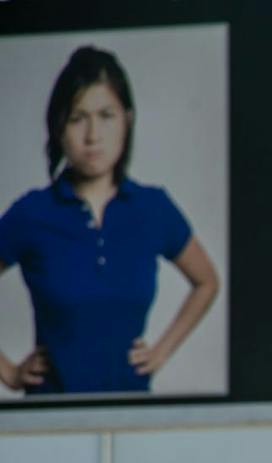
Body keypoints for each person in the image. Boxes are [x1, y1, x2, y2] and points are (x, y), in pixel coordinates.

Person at [0, 46, 219, 397]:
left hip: (130, 416)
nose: (93, 135)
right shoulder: (32, 213)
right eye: (77, 118)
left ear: (127, 120)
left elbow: (207, 281)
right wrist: (9, 372)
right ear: (59, 129)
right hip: (51, 421)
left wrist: (161, 353)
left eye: (106, 115)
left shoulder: (153, 208)